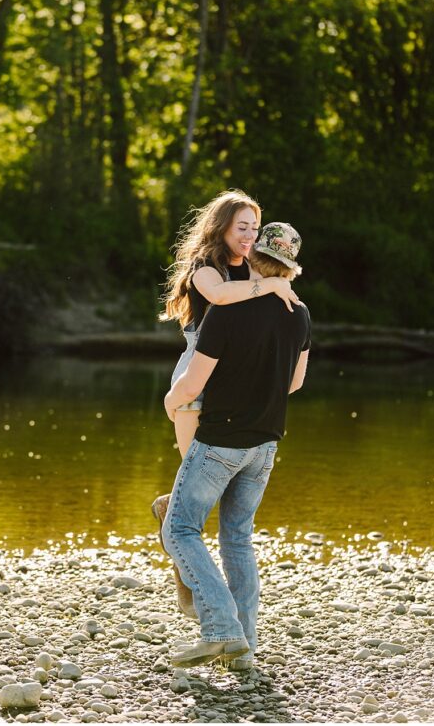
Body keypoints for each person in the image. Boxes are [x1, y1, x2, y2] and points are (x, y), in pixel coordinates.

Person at [162, 222, 310, 671]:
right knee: (238, 539)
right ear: (290, 267)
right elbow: (295, 383)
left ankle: (222, 629)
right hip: (264, 445)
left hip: (220, 441)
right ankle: (245, 647)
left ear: (255, 258)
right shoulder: (300, 312)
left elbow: (194, 383)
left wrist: (172, 401)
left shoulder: (224, 313)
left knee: (180, 529)